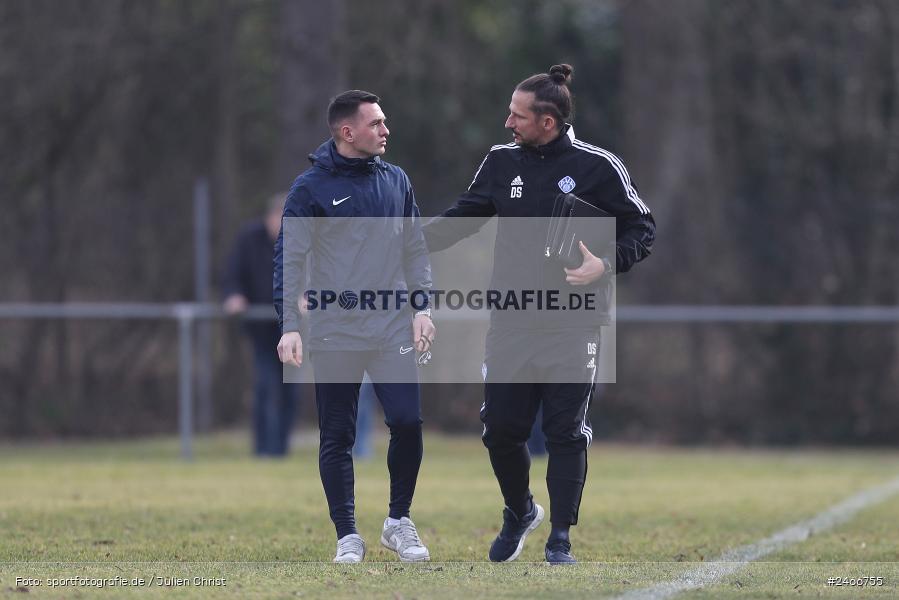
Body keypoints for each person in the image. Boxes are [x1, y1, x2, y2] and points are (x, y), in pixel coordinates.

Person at [424, 64, 655, 564]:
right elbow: (464, 216)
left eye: (517, 115)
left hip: (575, 322)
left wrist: (606, 263)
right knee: (501, 430)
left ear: (547, 120)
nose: (508, 123)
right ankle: (520, 511)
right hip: (511, 319)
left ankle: (560, 539)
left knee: (565, 431)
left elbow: (643, 228)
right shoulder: (500, 161)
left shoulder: (599, 166)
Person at [273, 90, 436, 564]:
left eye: (384, 122)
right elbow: (290, 258)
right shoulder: (308, 189)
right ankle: (347, 534)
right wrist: (290, 325)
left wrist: (422, 307)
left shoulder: (396, 180)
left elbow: (415, 250)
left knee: (407, 421)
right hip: (334, 329)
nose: (386, 130)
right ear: (348, 132)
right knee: (338, 434)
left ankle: (398, 522)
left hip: (391, 327)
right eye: (377, 123)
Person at [223, 193, 298, 457]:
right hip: (262, 332)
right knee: (265, 387)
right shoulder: (249, 239)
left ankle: (281, 447)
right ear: (270, 217)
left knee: (290, 393)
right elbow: (233, 275)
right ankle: (263, 449)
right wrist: (234, 296)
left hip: (293, 330)